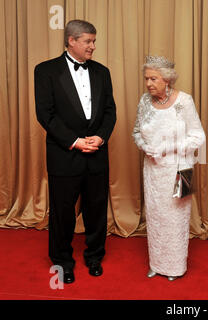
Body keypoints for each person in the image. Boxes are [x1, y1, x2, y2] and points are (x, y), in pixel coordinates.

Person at [34, 20, 117, 284]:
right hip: (64, 154)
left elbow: (109, 111)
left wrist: (101, 138)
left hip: (97, 154)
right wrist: (75, 141)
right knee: (63, 211)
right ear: (71, 40)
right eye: (88, 41)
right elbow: (45, 114)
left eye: (94, 41)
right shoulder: (45, 71)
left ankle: (94, 257)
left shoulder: (103, 72)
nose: (93, 46)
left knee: (96, 209)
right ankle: (62, 261)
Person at [132, 56, 205, 281]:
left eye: (153, 78)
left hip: (181, 169)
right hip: (153, 170)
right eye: (146, 78)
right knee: (156, 217)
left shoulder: (184, 101)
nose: (148, 83)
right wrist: (146, 147)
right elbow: (136, 132)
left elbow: (198, 136)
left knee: (176, 219)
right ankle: (157, 263)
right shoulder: (145, 102)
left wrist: (169, 147)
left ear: (167, 79)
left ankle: (175, 267)